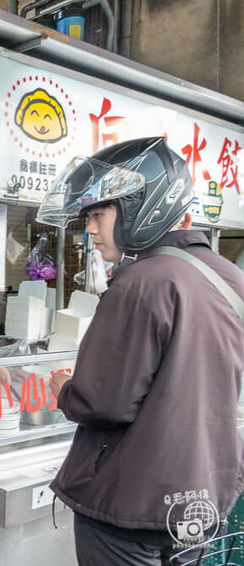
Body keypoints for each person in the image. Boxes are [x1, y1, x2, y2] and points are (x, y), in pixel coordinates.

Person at [37, 137, 244, 565]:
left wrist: (63, 387)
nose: (89, 228)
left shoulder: (140, 282)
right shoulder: (228, 277)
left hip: (133, 506)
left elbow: (104, 403)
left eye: (99, 213)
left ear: (142, 207)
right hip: (200, 498)